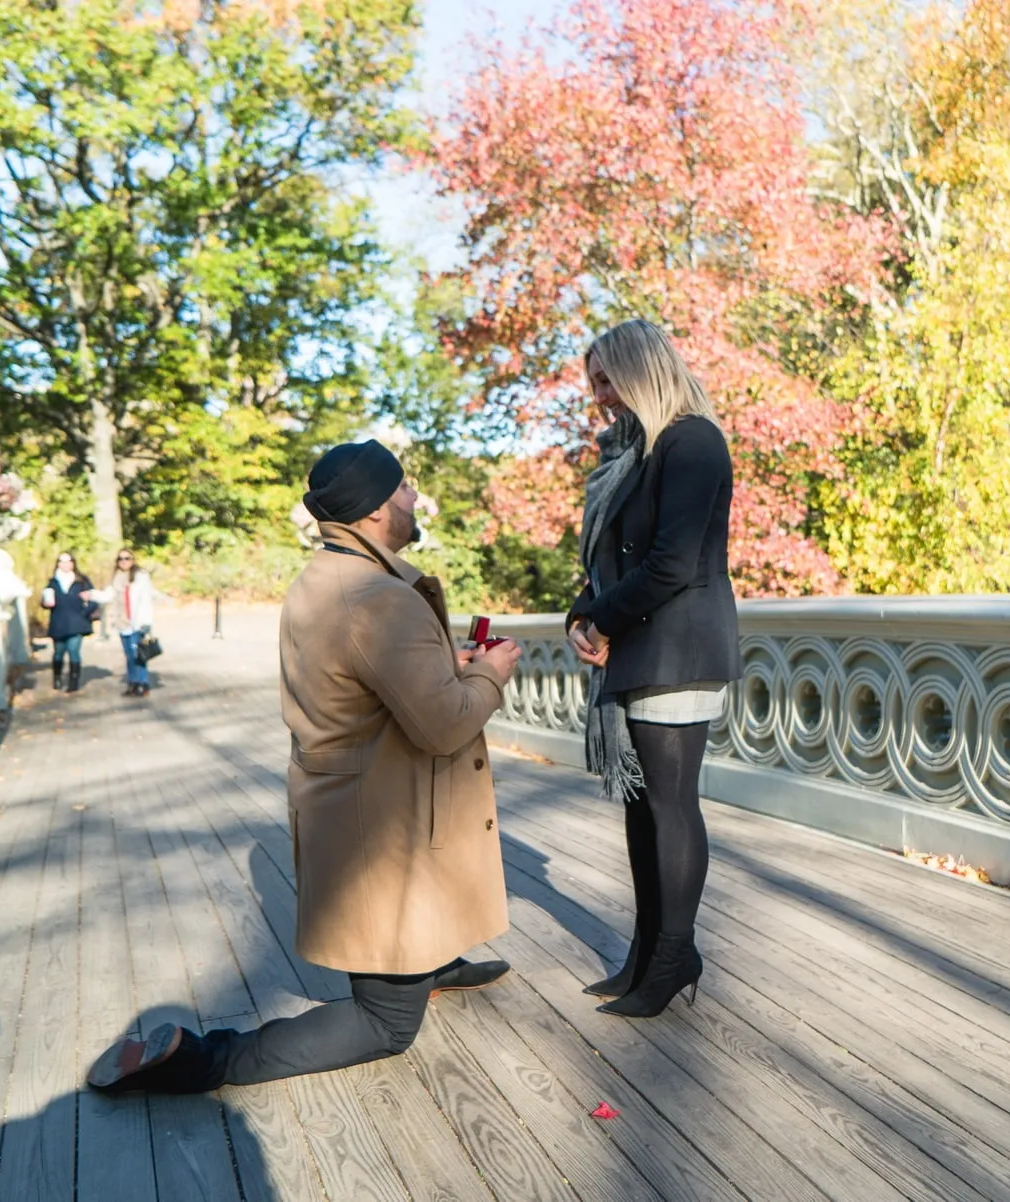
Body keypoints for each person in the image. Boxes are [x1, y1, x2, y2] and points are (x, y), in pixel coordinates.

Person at [87, 439, 523, 1094]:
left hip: (347, 811)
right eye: (404, 488)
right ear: (376, 510)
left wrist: (445, 668)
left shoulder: (324, 579)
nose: (414, 499)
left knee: (406, 941)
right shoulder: (379, 597)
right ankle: (199, 1060)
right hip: (383, 835)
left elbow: (364, 683)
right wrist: (490, 676)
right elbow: (445, 727)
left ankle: (429, 963)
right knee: (385, 1025)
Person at [565, 319, 742, 1019]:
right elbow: (611, 560)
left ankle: (673, 955)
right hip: (646, 645)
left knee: (670, 805)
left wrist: (605, 619)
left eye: (607, 380)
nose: (601, 397)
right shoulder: (639, 451)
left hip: (681, 647)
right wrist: (583, 614)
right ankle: (645, 952)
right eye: (595, 383)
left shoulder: (692, 440)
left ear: (642, 369)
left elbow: (671, 563)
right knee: (643, 806)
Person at [39, 551, 98, 693]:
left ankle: (74, 681)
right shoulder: (53, 582)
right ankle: (57, 676)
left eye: (68, 561)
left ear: (73, 563)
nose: (65, 564)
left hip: (77, 623)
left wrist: (84, 612)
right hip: (59, 622)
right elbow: (45, 601)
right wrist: (45, 603)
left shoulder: (82, 581)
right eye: (62, 561)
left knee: (74, 651)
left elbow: (94, 600)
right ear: (58, 564)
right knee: (59, 652)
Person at [102, 548, 156, 698]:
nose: (124, 561)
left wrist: (147, 621)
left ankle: (142, 683)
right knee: (129, 655)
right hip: (121, 622)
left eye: (127, 558)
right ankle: (132, 683)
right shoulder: (116, 578)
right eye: (121, 559)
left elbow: (146, 600)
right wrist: (91, 595)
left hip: (136, 622)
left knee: (138, 654)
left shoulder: (141, 577)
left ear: (133, 560)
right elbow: (107, 595)